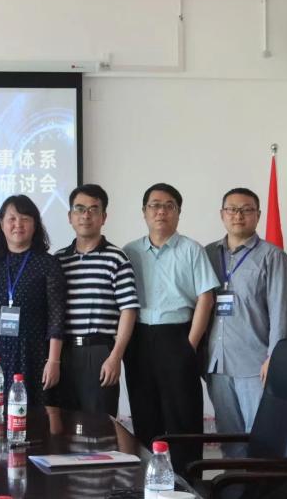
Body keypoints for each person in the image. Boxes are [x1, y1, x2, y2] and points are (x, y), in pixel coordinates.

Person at [122, 183, 218, 474]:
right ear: (144, 212)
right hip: (139, 339)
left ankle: (189, 482)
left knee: (183, 416)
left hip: (177, 336)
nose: (161, 211)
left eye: (168, 206)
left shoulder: (191, 250)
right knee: (144, 414)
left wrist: (190, 344)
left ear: (178, 212)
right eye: (154, 205)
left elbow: (206, 297)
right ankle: (149, 481)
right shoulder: (129, 251)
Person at [204, 188, 287, 457]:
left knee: (261, 439)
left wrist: (274, 358)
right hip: (217, 364)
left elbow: (282, 312)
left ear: (258, 215)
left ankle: (260, 483)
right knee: (229, 439)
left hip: (256, 365)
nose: (238, 215)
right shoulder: (207, 254)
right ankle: (232, 483)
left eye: (246, 210)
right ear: (222, 214)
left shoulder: (272, 256)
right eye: (232, 209)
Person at [51, 184, 139, 416]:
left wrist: (115, 356)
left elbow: (128, 310)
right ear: (70, 217)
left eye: (93, 209)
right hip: (64, 352)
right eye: (79, 209)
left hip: (100, 352)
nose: (86, 215)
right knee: (63, 423)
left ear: (104, 217)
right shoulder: (58, 260)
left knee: (100, 425)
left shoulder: (116, 258)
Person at [0, 194, 66, 407]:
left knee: (34, 416)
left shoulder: (48, 263)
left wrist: (54, 360)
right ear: (1, 224)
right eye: (12, 219)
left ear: (35, 225)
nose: (18, 224)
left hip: (33, 353)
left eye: (25, 218)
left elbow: (57, 316)